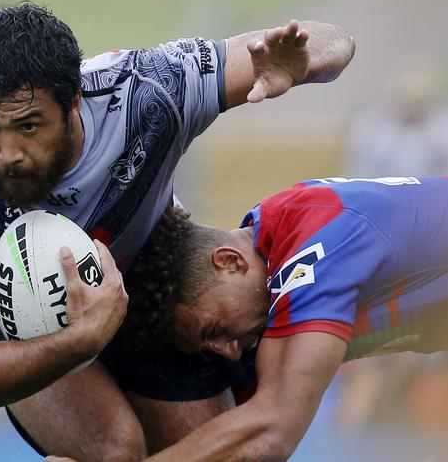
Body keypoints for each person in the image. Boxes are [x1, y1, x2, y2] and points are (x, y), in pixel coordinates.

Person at [0, 2, 355, 460]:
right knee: (115, 452)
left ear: (74, 101)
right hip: (30, 329)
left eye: (28, 125)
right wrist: (80, 340)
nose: (7, 153)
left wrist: (309, 57)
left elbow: (332, 41)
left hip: (150, 295)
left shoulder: (148, 90)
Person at [104, 176, 448, 462]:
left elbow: (270, 433)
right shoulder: (276, 246)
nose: (227, 350)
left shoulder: (311, 250)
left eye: (213, 330)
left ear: (229, 262)